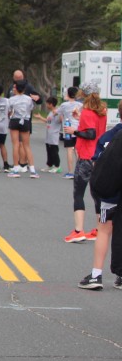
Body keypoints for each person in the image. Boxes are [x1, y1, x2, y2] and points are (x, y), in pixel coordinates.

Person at [78, 123, 122, 289]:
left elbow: (97, 164)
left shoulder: (109, 136)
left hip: (110, 192)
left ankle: (96, 275)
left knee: (104, 230)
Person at [63, 82, 108, 243]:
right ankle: (99, 229)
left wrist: (74, 131)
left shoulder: (87, 112)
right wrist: (80, 118)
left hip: (86, 156)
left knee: (78, 193)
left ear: (84, 94)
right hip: (99, 156)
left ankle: (78, 230)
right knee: (97, 195)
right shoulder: (102, 111)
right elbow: (95, 129)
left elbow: (90, 134)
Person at [6, 82, 38, 178]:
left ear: (16, 89)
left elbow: (9, 111)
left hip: (15, 120)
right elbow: (31, 108)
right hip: (25, 120)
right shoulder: (29, 99)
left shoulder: (11, 99)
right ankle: (33, 170)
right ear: (24, 89)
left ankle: (16, 168)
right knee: (26, 145)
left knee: (15, 144)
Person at [58, 87, 82, 179]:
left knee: (69, 150)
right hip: (77, 129)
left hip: (68, 129)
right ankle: (80, 171)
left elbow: (58, 113)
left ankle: (70, 172)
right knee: (77, 150)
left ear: (68, 94)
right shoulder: (80, 105)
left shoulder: (64, 105)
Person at [34, 96, 62, 173]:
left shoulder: (57, 112)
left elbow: (61, 120)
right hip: (48, 135)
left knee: (54, 151)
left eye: (47, 104)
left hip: (54, 135)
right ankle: (49, 165)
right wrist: (40, 117)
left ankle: (57, 166)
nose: (46, 105)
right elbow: (48, 121)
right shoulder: (50, 112)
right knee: (49, 151)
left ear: (51, 104)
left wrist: (58, 114)